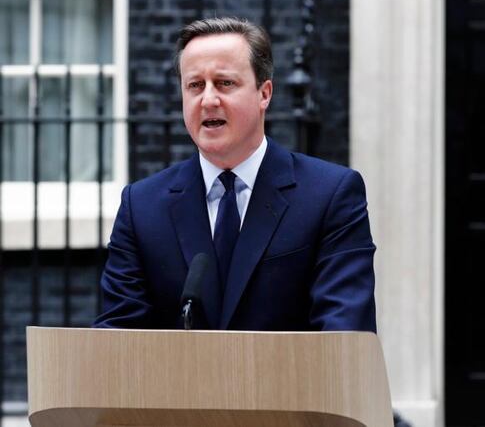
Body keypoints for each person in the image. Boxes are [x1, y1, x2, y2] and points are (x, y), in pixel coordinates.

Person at [93, 17, 376, 332]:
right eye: (195, 86)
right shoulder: (141, 207)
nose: (209, 100)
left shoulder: (330, 195)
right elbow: (116, 338)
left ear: (264, 93)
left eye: (225, 83)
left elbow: (344, 334)